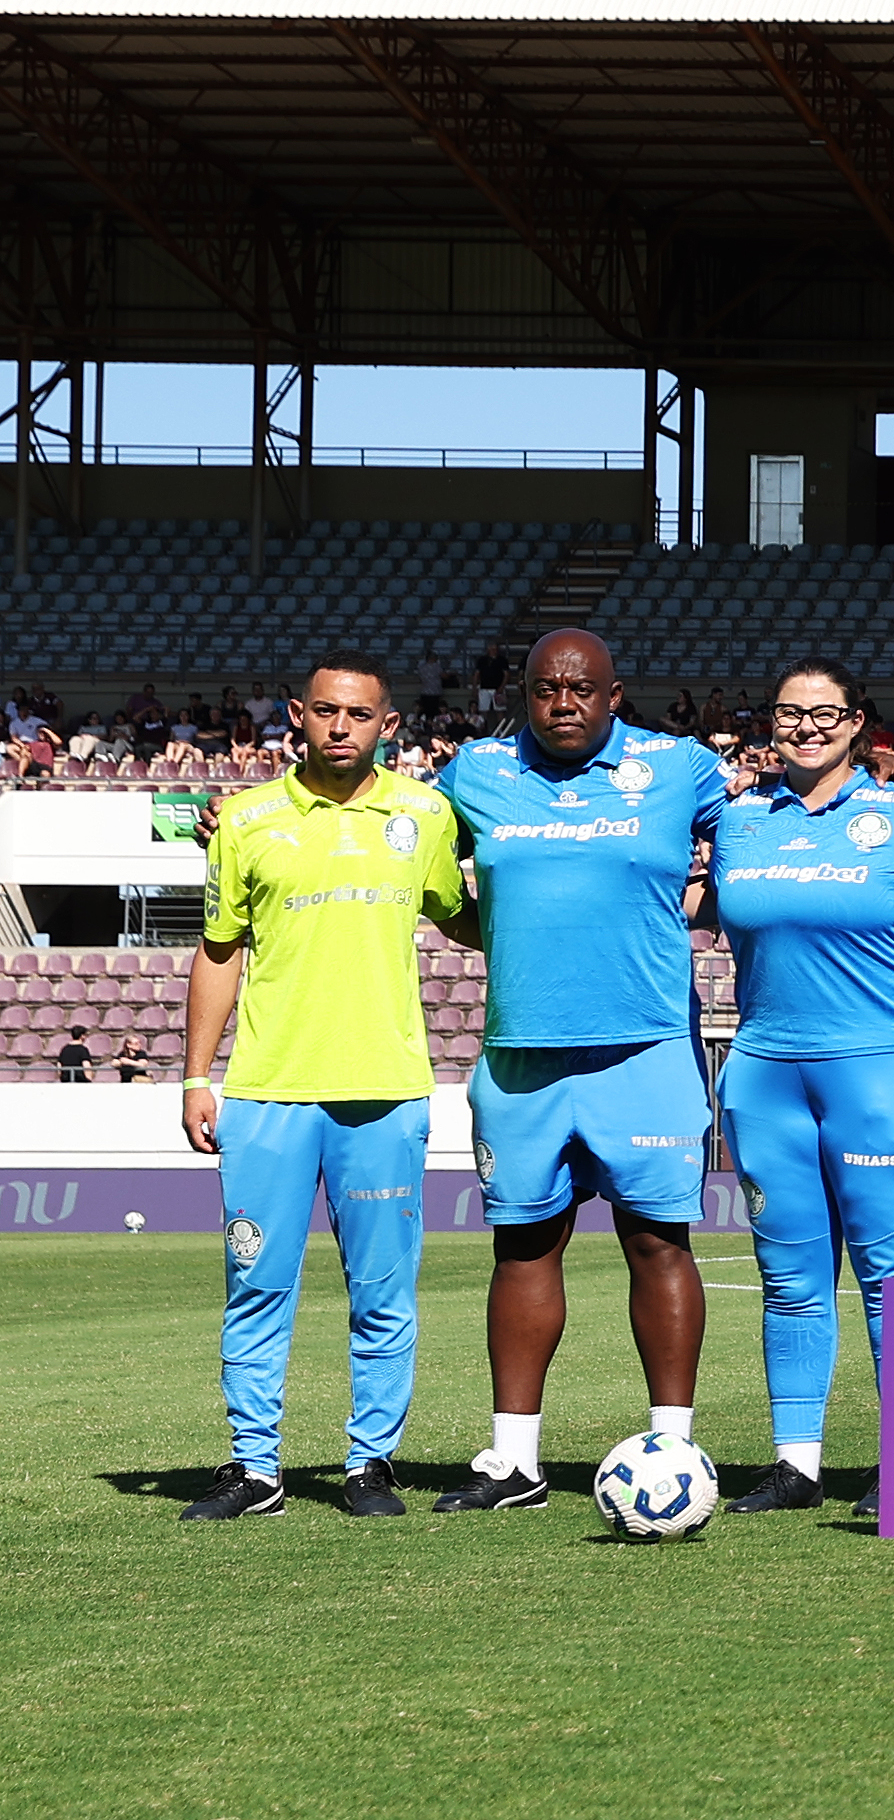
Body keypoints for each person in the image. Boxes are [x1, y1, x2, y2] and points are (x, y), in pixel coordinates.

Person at [429, 629, 727, 1512]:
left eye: (582, 689)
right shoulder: (475, 773)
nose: (564, 703)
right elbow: (407, 856)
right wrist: (494, 930)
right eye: (546, 689)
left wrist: (687, 917)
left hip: (647, 1051)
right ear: (524, 695)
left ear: (614, 693)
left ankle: (672, 1449)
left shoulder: (680, 768)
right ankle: (512, 1459)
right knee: (523, 1244)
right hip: (523, 1057)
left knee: (657, 1240)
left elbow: (746, 854)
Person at [174, 653, 471, 1521]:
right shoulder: (247, 819)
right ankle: (254, 1469)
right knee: (255, 1283)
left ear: (389, 725)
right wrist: (198, 1074)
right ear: (297, 716)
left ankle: (368, 1464)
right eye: (327, 712)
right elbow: (220, 949)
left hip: (382, 1091)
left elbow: (463, 916)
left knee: (381, 1288)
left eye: (362, 715)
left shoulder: (424, 812)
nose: (343, 727)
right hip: (268, 1092)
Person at [701, 659, 894, 1519]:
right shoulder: (739, 821)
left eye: (825, 712)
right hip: (765, 1074)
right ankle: (795, 1465)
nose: (805, 727)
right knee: (788, 1275)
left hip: (881, 1072)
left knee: (893, 1278)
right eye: (789, 712)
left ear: (858, 722)